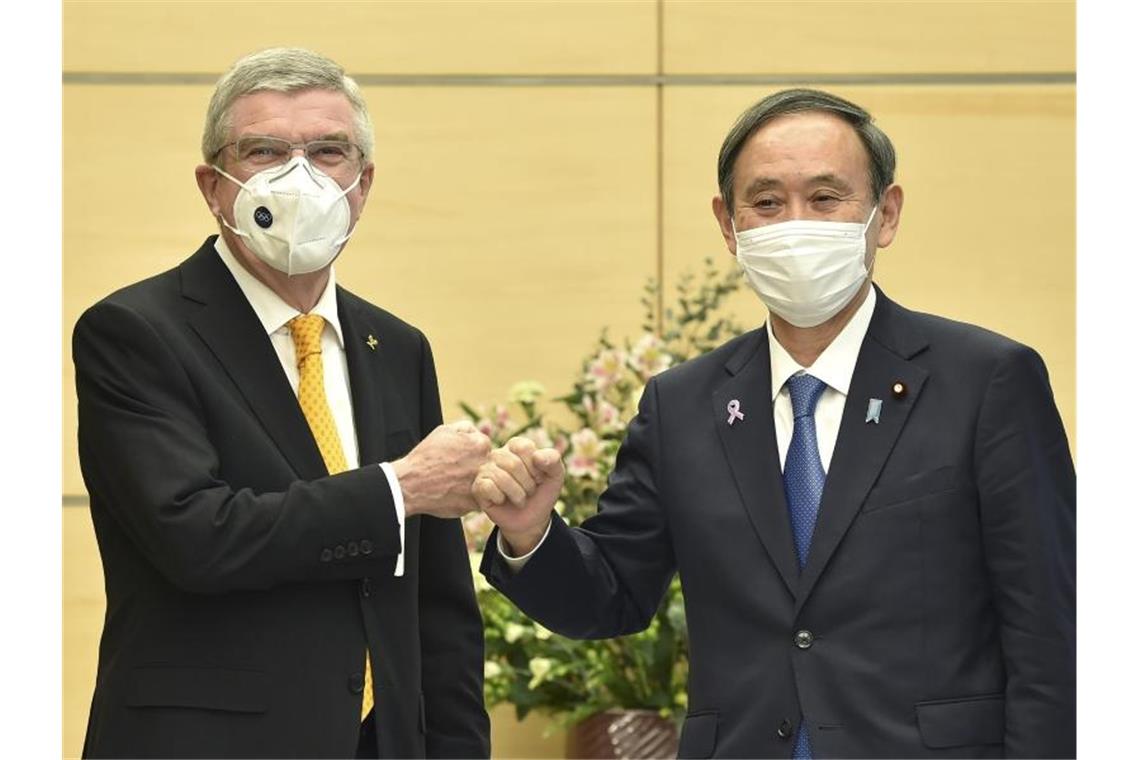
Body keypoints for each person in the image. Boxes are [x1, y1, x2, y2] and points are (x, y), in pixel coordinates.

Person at [474, 89, 1075, 759]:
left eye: (825, 199)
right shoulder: (682, 405)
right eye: (765, 203)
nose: (795, 224)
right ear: (729, 226)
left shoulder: (987, 381)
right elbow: (613, 596)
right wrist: (530, 534)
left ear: (886, 215)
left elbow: (1051, 631)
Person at [72, 48, 491, 759]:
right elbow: (197, 536)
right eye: (264, 150)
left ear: (362, 184)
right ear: (213, 184)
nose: (299, 176)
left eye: (329, 151)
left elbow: (436, 601)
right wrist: (397, 489)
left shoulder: (397, 346)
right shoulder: (137, 333)